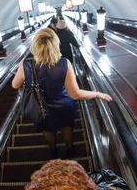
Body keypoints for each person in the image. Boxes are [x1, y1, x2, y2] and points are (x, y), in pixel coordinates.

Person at [12, 29, 112, 159]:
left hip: (40, 107)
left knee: (48, 130)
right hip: (63, 106)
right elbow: (75, 94)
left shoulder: (26, 65)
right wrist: (97, 94)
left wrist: (23, 72)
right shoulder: (64, 63)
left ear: (35, 45)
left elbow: (15, 85)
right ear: (55, 44)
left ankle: (53, 151)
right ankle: (70, 150)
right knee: (67, 129)